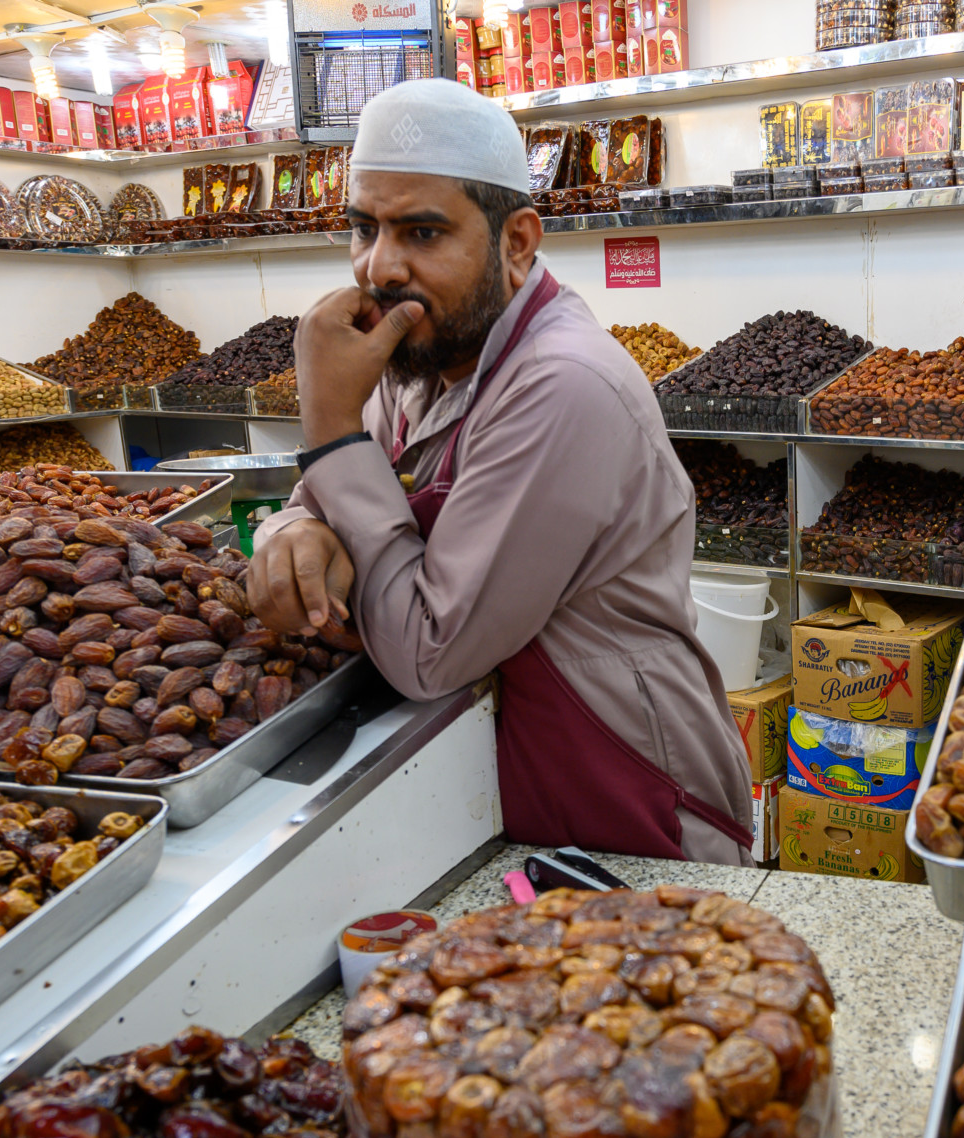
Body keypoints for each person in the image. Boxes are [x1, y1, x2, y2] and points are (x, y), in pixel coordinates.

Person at [248, 78, 753, 866]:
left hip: (626, 801)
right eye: (362, 228)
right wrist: (295, 528)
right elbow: (324, 505)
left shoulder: (563, 383)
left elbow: (428, 650)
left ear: (517, 242)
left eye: (421, 232)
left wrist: (330, 426)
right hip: (505, 796)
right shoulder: (417, 362)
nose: (378, 267)